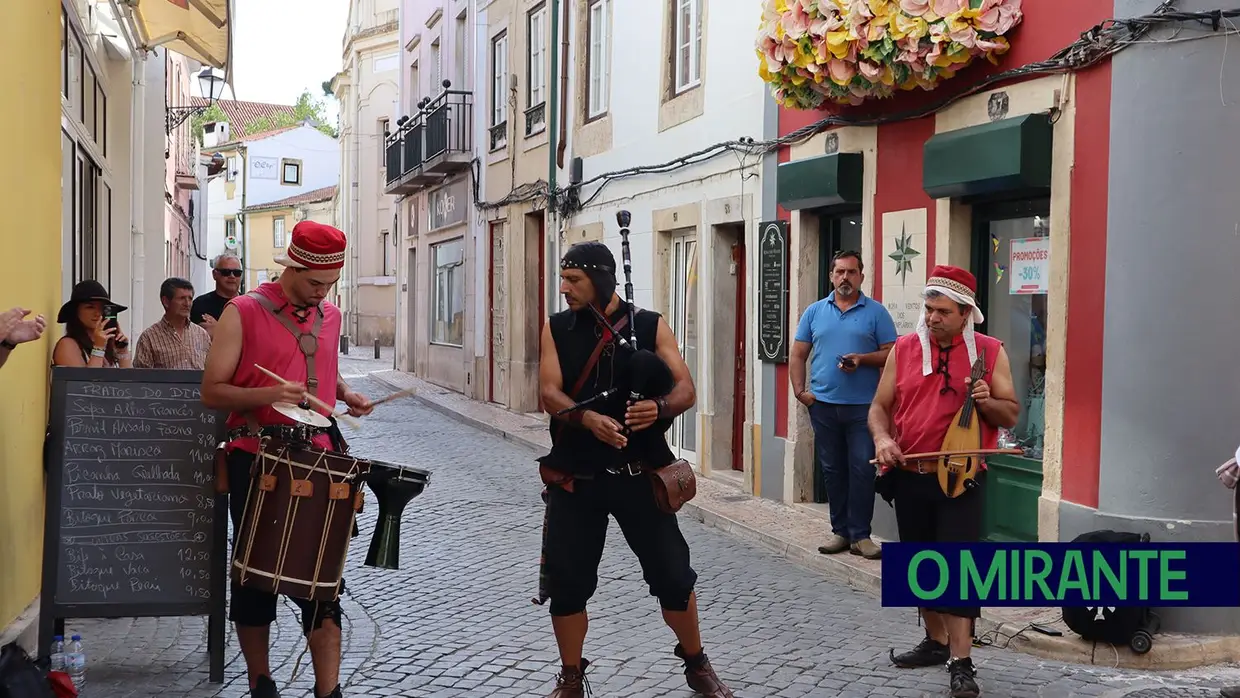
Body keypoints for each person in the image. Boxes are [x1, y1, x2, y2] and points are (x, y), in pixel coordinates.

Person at [535, 240, 733, 698]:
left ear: (600, 280)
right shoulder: (557, 328)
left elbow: (686, 390)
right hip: (577, 478)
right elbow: (549, 392)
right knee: (567, 581)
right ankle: (569, 677)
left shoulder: (649, 324)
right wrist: (587, 419)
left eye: (574, 280)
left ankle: (696, 663)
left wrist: (657, 407)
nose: (564, 288)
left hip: (639, 476)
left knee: (672, 575)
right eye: (563, 279)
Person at [201, 221, 374, 698]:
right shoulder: (243, 312)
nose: (322, 293)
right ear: (291, 267)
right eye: (314, 282)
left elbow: (319, 373)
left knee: (321, 577)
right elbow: (212, 391)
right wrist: (270, 391)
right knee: (256, 574)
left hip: (321, 459)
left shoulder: (331, 316)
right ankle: (261, 682)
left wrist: (346, 393)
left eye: (330, 284)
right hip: (256, 457)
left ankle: (328, 691)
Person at [867, 265, 1019, 698]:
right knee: (920, 565)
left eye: (942, 311)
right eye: (928, 309)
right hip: (909, 474)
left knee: (957, 569)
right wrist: (881, 438)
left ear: (966, 313)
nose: (931, 318)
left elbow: (1010, 415)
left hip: (961, 479)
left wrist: (989, 401)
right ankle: (935, 642)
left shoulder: (990, 351)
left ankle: (962, 660)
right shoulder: (904, 348)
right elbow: (879, 406)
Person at [789, 250, 896, 560]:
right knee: (833, 470)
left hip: (864, 407)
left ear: (861, 276)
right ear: (831, 276)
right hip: (823, 406)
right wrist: (800, 392)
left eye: (852, 272)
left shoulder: (876, 313)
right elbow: (798, 354)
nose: (845, 278)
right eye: (840, 272)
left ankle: (861, 535)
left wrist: (862, 360)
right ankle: (840, 531)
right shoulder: (814, 312)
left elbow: (891, 353)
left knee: (862, 469)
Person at [133, 277, 211, 369]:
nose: (187, 303)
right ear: (166, 301)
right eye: (182, 298)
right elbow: (141, 378)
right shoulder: (149, 338)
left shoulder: (202, 334)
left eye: (190, 298)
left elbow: (211, 370)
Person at [52, 280, 132, 368]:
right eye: (90, 307)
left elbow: (130, 379)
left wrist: (122, 351)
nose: (97, 313)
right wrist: (98, 348)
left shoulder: (108, 344)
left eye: (102, 308)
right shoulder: (67, 345)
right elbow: (87, 380)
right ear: (75, 311)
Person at [192, 252, 244, 336]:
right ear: (214, 274)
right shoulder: (200, 304)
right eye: (226, 272)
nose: (232, 276)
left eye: (237, 273)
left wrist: (218, 328)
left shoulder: (249, 305)